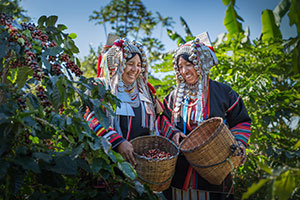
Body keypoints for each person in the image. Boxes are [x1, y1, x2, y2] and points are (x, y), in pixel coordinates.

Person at [157, 37, 251, 200]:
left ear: (200, 65)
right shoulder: (174, 97)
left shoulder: (223, 92)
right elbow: (162, 119)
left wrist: (239, 143)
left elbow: (241, 120)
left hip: (215, 168)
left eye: (189, 64)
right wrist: (173, 132)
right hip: (180, 172)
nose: (184, 71)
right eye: (180, 67)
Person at [84, 36, 163, 167]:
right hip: (108, 163)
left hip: (141, 165)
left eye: (139, 65)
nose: (135, 69)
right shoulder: (100, 87)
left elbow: (159, 119)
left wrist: (174, 133)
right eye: (130, 64)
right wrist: (118, 142)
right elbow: (89, 117)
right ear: (116, 63)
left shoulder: (145, 91)